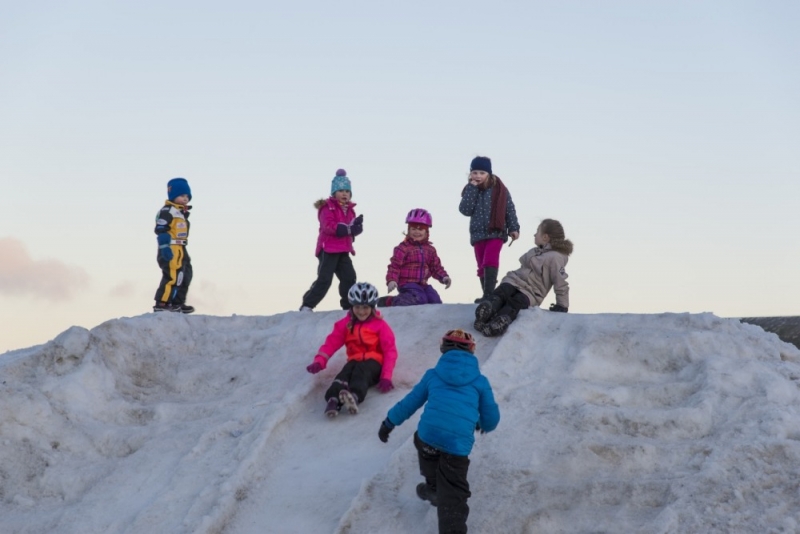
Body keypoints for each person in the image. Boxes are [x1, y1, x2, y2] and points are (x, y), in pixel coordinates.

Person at [378, 329, 499, 534]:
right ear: (471, 351)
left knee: (427, 451)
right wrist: (482, 424)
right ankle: (449, 517)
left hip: (428, 437)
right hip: (456, 446)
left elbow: (410, 402)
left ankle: (434, 488)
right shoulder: (480, 382)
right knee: (453, 497)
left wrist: (389, 422)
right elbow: (491, 418)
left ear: (443, 349)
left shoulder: (432, 375)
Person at [306, 282, 398, 417]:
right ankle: (333, 399)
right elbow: (331, 342)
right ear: (352, 306)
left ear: (372, 307)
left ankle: (354, 396)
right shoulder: (345, 324)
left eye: (365, 307)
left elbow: (390, 351)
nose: (361, 311)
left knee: (362, 370)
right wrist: (320, 360)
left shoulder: (380, 325)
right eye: (357, 307)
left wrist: (386, 377)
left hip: (374, 364)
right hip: (354, 360)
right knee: (344, 373)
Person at [474, 218, 572, 337]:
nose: (535, 234)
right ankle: (488, 309)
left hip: (532, 292)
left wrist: (562, 305)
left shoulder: (555, 258)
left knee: (516, 303)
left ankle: (501, 320)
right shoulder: (535, 251)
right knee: (503, 291)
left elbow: (560, 282)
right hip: (515, 281)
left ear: (545, 237)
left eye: (537, 232)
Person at [458, 156, 521, 303]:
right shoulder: (470, 189)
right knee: (481, 264)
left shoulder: (500, 190)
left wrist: (514, 228)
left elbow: (509, 209)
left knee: (490, 260)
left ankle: (489, 293)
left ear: (489, 174)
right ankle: (486, 295)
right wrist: (472, 189)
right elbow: (465, 210)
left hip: (496, 232)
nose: (478, 176)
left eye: (482, 173)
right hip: (478, 234)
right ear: (470, 174)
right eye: (475, 172)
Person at [300, 169, 363, 311]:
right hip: (328, 248)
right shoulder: (327, 207)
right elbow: (328, 226)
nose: (344, 194)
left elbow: (349, 229)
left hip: (343, 249)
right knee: (325, 279)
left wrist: (356, 227)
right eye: (341, 190)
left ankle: (348, 306)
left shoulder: (351, 210)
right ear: (334, 193)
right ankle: (307, 305)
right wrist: (346, 229)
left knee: (349, 277)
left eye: (347, 191)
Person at [377, 208, 452, 307]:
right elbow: (394, 266)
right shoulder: (403, 248)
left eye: (420, 229)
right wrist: (392, 280)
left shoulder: (430, 250)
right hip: (407, 284)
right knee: (419, 298)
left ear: (426, 232)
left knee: (435, 300)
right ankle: (389, 301)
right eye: (413, 229)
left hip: (423, 285)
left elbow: (436, 267)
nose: (417, 232)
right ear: (408, 230)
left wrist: (444, 277)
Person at [153, 177, 194, 313]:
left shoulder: (181, 212)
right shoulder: (168, 211)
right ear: (173, 195)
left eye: (187, 196)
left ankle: (177, 302)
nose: (185, 198)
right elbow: (161, 229)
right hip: (171, 247)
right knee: (173, 274)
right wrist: (164, 247)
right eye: (182, 195)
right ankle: (163, 303)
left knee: (185, 274)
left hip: (181, 247)